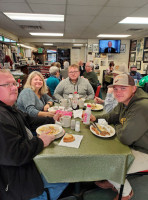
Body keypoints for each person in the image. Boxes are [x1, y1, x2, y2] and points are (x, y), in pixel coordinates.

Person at [0, 69, 68, 200]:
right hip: (18, 184)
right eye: (7, 84)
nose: (14, 88)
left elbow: (29, 120)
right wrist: (41, 141)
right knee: (66, 174)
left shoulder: (10, 108)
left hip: (25, 165)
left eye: (14, 84)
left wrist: (52, 119)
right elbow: (16, 154)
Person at [91, 73, 148, 200]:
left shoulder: (142, 106)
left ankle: (126, 193)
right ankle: (113, 181)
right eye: (116, 88)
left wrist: (113, 128)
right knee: (101, 151)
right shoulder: (125, 101)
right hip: (133, 144)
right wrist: (96, 118)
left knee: (108, 163)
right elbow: (112, 116)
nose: (118, 92)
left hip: (144, 151)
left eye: (123, 88)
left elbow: (125, 137)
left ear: (134, 89)